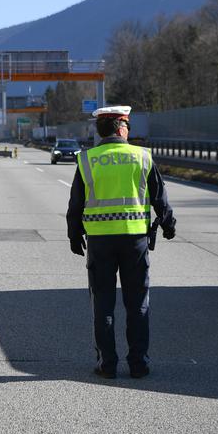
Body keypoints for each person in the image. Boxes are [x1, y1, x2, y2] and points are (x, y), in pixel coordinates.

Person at [66, 105, 175, 379]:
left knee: (103, 302)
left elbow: (75, 203)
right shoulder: (142, 156)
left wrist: (73, 233)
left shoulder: (87, 159)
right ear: (122, 128)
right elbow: (160, 196)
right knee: (137, 303)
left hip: (100, 242)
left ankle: (107, 364)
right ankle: (139, 364)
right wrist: (168, 223)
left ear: (101, 130)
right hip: (135, 241)